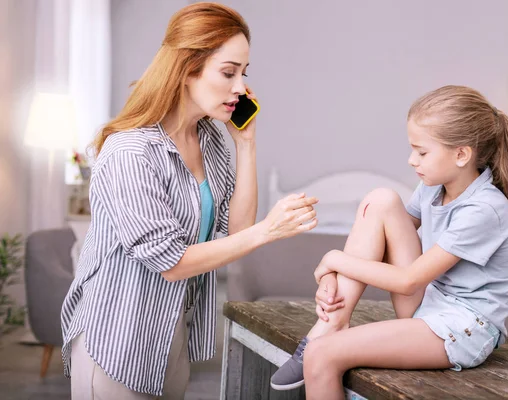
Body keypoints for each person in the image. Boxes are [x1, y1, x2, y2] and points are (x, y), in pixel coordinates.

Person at [61, 3, 318, 399]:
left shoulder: (211, 139)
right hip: (116, 338)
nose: (239, 87)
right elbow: (171, 263)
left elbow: (237, 233)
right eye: (228, 72)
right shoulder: (130, 152)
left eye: (243, 74)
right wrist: (270, 230)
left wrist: (245, 144)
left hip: (170, 335)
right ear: (186, 69)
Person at [270, 85, 508, 399]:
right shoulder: (434, 185)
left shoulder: (484, 208)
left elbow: (408, 281)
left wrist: (333, 258)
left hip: (465, 328)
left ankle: (324, 339)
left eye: (422, 152)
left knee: (321, 355)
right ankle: (333, 322)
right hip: (429, 305)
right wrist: (331, 276)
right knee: (379, 200)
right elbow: (380, 234)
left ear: (462, 154)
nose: (412, 160)